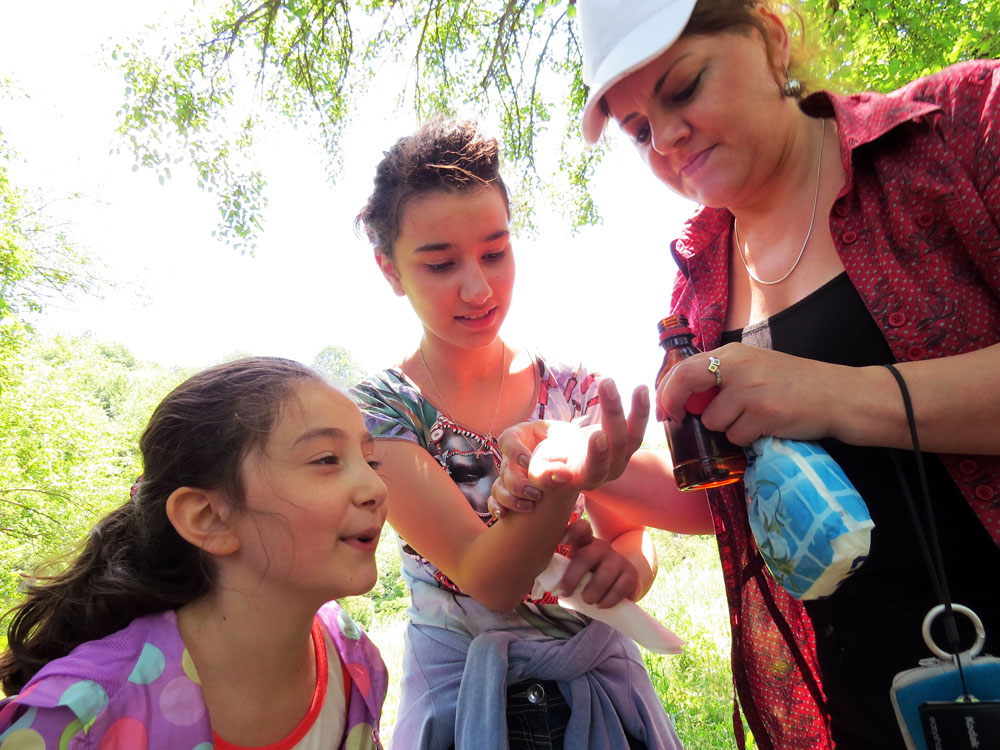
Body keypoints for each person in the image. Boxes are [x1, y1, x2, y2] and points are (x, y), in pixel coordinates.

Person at [493, 1, 1000, 748]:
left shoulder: (959, 129)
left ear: (769, 37)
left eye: (684, 86)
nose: (664, 138)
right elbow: (725, 502)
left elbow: (810, 403)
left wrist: (839, 395)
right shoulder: (695, 291)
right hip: (868, 702)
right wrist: (592, 465)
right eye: (637, 130)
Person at [351, 116, 706, 749]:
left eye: (495, 251)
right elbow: (488, 577)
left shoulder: (570, 385)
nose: (478, 287)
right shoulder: (383, 414)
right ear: (389, 269)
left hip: (599, 688)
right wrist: (565, 479)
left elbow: (634, 527)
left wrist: (626, 567)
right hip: (465, 702)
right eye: (440, 263)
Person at [0, 357, 390, 749]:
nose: (376, 488)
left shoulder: (350, 656)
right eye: (326, 459)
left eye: (370, 461)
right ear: (209, 518)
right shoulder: (74, 724)